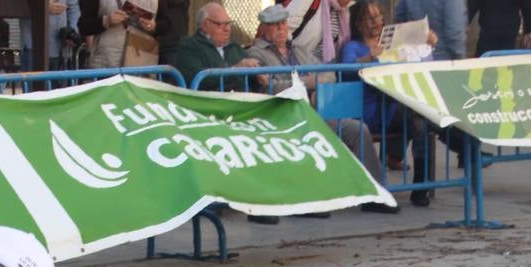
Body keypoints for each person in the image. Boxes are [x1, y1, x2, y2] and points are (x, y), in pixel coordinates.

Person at [245, 4, 394, 213]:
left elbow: (331, 74)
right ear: (264, 28)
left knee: (357, 129)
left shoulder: (298, 49)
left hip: (313, 112)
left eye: (284, 23)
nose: (281, 29)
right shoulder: (256, 54)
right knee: (309, 134)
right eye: (275, 25)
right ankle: (309, 199)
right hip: (283, 116)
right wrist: (310, 82)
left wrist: (308, 83)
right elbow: (269, 87)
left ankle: (374, 194)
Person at [341, 0, 436, 206]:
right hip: (369, 114)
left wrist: (426, 43)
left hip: (393, 110)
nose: (377, 21)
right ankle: (456, 139)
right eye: (370, 17)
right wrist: (368, 57)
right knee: (422, 115)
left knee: (421, 120)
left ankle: (421, 184)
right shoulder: (353, 46)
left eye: (379, 16)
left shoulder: (391, 43)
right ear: (358, 23)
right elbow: (345, 69)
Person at [174, 3, 262, 90]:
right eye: (221, 24)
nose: (227, 29)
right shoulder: (189, 46)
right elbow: (195, 79)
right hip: (208, 102)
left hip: (241, 101)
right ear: (205, 25)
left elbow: (253, 84)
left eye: (228, 23)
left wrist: (259, 78)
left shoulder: (235, 48)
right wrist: (235, 69)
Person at [395, 0, 465, 61]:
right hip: (443, 61)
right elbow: (454, 34)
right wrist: (460, 60)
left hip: (415, 59)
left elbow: (400, 19)